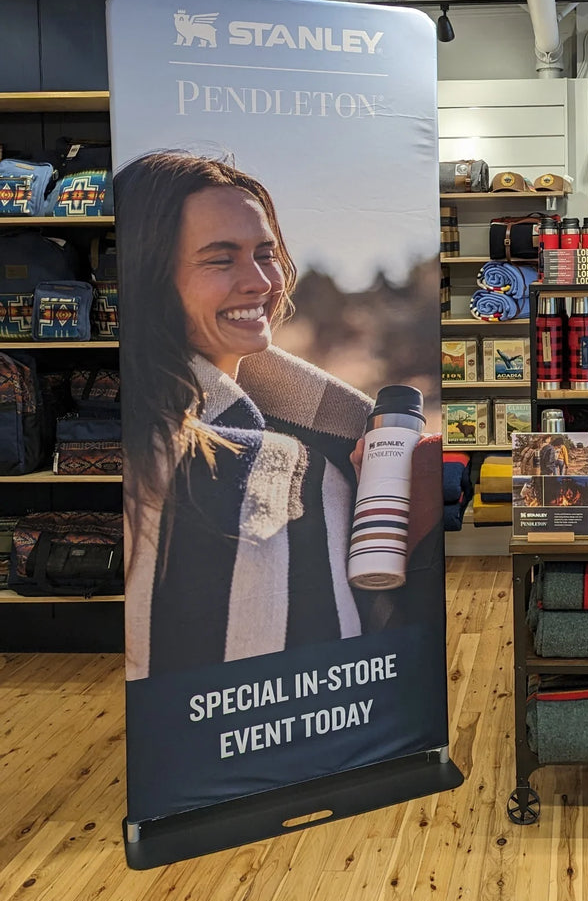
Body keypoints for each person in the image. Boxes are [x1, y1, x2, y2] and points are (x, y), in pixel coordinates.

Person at [116, 151, 440, 680]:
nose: (261, 282)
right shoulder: (184, 462)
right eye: (220, 259)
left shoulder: (324, 434)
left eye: (265, 253)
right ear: (148, 277)